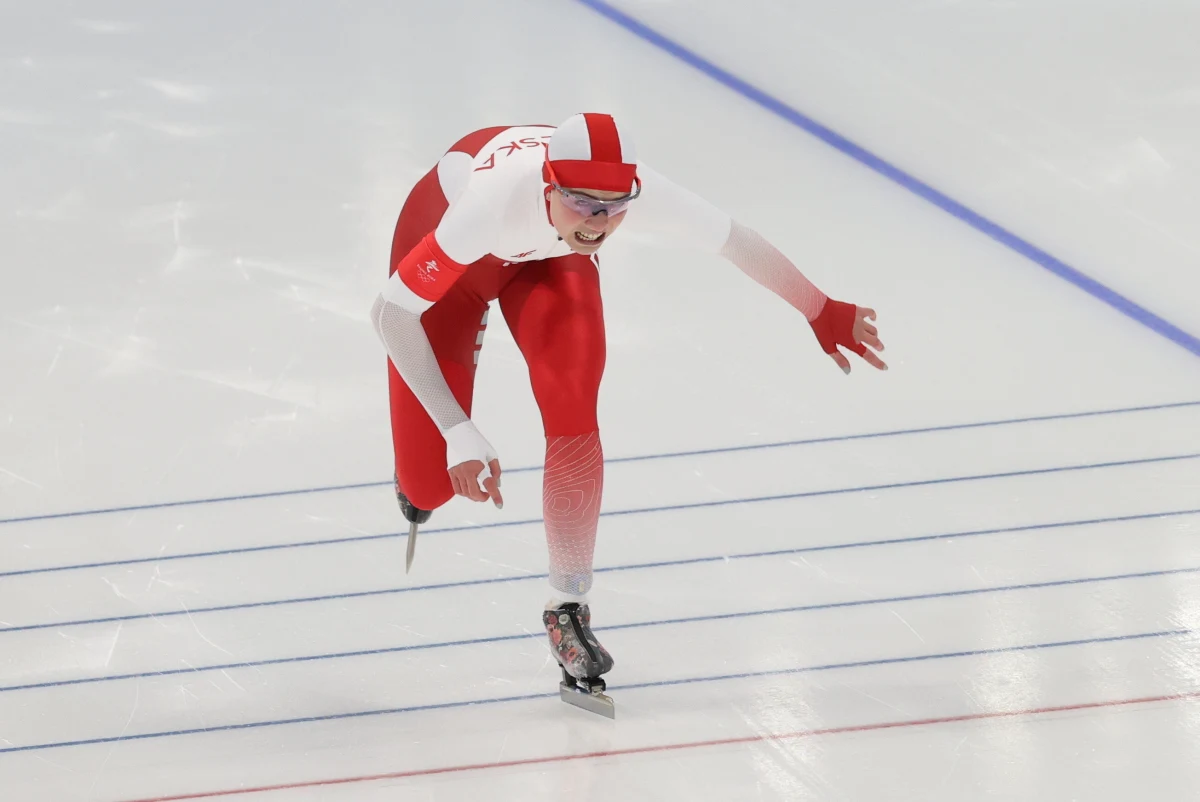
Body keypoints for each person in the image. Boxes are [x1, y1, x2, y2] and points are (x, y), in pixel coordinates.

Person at [370, 112, 886, 702]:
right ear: (549, 189)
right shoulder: (487, 205)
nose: (599, 223)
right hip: (451, 259)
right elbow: (390, 314)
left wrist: (818, 307)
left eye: (614, 208)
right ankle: (414, 476)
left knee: (574, 399)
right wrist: (456, 428)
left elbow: (735, 241)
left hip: (545, 258)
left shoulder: (619, 198)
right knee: (431, 484)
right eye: (584, 205)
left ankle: (568, 607)